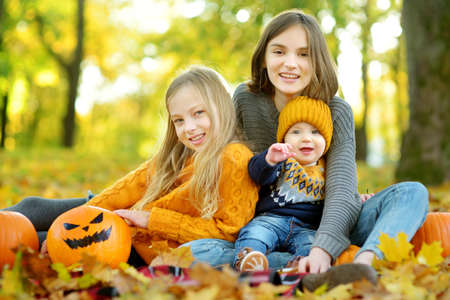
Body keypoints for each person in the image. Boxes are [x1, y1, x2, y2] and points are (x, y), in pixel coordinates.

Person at [186, 9, 428, 273]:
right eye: (279, 52)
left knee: (411, 193)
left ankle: (362, 263)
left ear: (317, 62)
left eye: (304, 54)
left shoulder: (337, 111)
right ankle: (296, 266)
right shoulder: (246, 99)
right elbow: (233, 168)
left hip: (326, 226)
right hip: (262, 230)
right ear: (264, 58)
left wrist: (322, 249)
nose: (290, 63)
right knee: (191, 252)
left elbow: (341, 192)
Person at [2, 66, 260, 265]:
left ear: (222, 107)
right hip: (124, 218)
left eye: (198, 114)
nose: (189, 128)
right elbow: (125, 190)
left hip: (140, 246)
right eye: (179, 120)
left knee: (34, 242)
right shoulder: (179, 155)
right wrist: (87, 211)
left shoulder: (234, 157)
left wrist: (151, 220)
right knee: (33, 207)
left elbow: (229, 233)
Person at [234, 96, 333, 271]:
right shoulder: (282, 157)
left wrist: (357, 198)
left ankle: (299, 267)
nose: (306, 139)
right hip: (270, 220)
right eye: (296, 132)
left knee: (312, 246)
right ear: (284, 138)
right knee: (255, 234)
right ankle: (249, 259)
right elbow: (256, 173)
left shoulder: (329, 168)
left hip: (306, 227)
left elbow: (340, 195)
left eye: (315, 132)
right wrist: (270, 160)